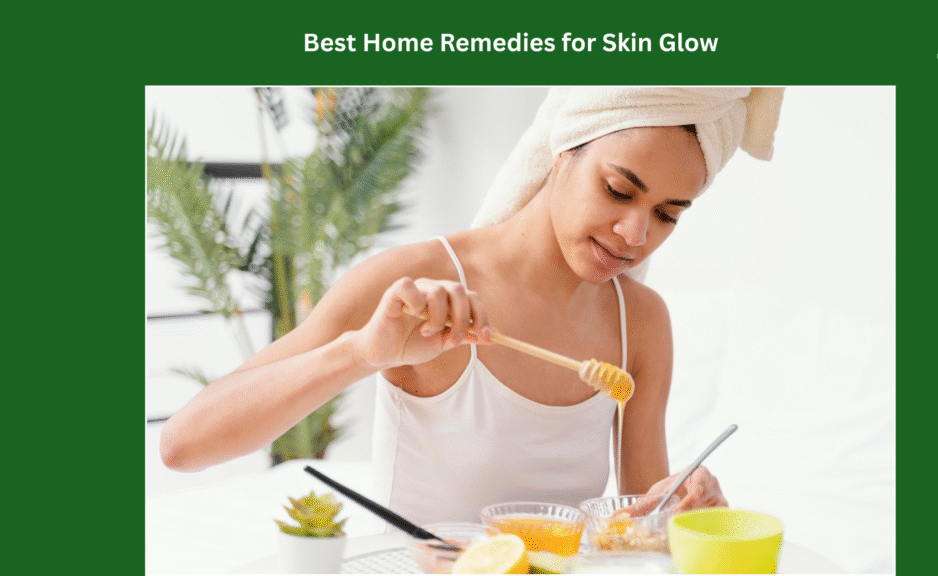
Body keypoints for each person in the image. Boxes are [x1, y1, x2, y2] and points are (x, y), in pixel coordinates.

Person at [160, 87, 785, 526]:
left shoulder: (640, 322)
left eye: (667, 214)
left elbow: (641, 509)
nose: (635, 234)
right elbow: (184, 445)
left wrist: (682, 504)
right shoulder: (415, 282)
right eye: (619, 189)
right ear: (565, 149)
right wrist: (361, 353)